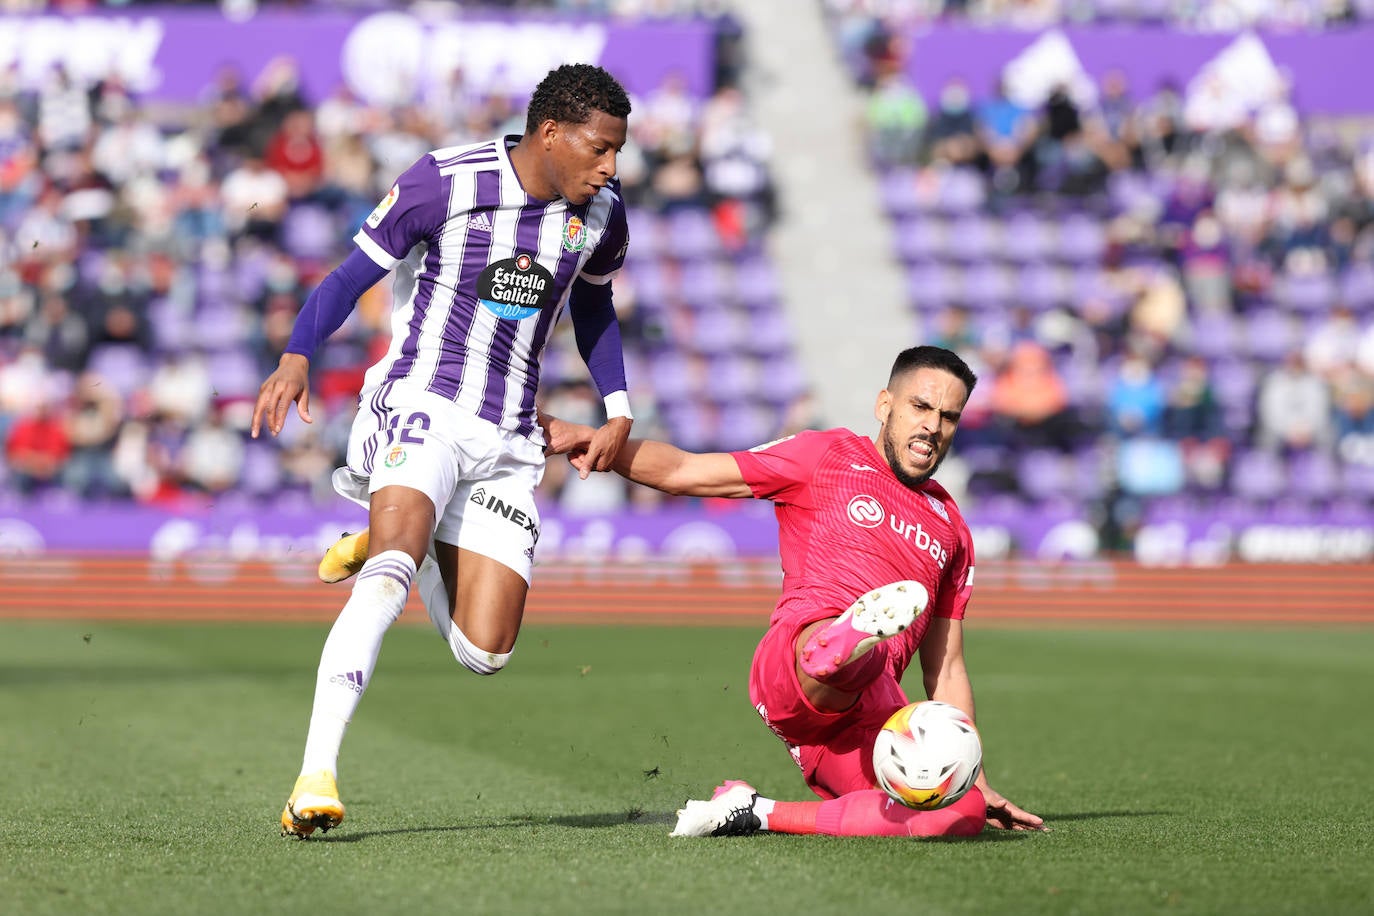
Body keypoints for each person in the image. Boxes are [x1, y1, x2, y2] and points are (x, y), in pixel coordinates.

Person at [251, 64, 637, 838]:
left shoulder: (601, 215)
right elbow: (347, 275)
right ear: (551, 134)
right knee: (389, 573)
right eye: (600, 150)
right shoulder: (442, 183)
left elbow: (592, 304)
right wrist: (299, 353)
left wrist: (618, 407)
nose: (611, 168)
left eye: (618, 153)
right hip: (421, 401)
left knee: (484, 652)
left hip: (507, 438)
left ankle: (405, 542)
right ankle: (314, 775)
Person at [544, 346, 1045, 838]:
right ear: (884, 405)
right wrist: (593, 439)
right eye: (921, 407)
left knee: (959, 815)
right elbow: (684, 470)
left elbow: (947, 668)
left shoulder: (951, 527)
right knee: (861, 654)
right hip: (794, 659)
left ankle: (753, 811)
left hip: (860, 722)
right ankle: (844, 640)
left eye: (948, 417)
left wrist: (970, 777)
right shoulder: (824, 455)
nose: (933, 427)